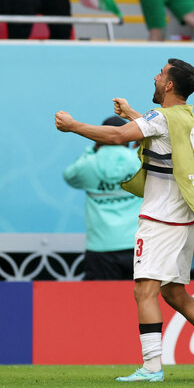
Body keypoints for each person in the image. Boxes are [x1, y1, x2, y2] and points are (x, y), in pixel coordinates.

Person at [54, 59, 194, 383]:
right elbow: (159, 131)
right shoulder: (187, 117)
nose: (155, 76)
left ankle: (152, 367)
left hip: (161, 218)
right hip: (183, 216)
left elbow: (117, 137)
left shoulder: (162, 117)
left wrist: (74, 126)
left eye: (161, 73)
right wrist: (134, 113)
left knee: (144, 291)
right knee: (174, 293)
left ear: (168, 85)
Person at [63, 116, 143, 281]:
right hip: (138, 245)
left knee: (103, 303)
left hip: (100, 247)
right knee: (141, 301)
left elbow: (69, 176)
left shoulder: (88, 164)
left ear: (99, 135)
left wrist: (93, 149)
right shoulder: (138, 160)